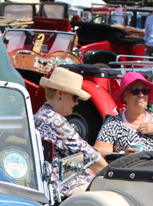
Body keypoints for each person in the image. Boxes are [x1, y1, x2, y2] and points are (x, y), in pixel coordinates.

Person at [34, 67, 107, 197]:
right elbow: (89, 155)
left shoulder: (40, 115)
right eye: (75, 97)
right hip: (61, 186)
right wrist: (110, 174)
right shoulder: (56, 122)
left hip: (50, 180)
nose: (77, 103)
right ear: (60, 93)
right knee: (112, 191)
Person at [96, 71, 153, 160]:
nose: (141, 95)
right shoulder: (114, 123)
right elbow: (99, 152)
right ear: (125, 96)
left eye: (145, 91)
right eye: (135, 91)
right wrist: (122, 155)